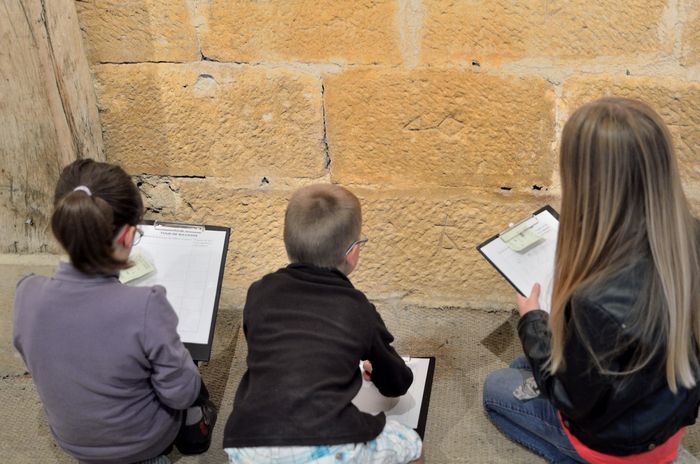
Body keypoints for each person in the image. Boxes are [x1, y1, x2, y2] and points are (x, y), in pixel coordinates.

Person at [483, 97, 700, 463]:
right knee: (521, 367)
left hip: (614, 444)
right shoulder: (688, 238)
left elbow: (573, 401)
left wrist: (531, 320)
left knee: (495, 388)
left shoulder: (596, 300)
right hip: (666, 415)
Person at [13, 159, 217, 464]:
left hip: (73, 442)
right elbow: (180, 394)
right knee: (188, 378)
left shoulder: (26, 292)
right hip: (141, 445)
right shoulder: (146, 306)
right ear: (125, 237)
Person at [223, 184, 423, 464]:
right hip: (328, 442)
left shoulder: (259, 291)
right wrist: (375, 368)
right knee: (413, 445)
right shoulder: (357, 307)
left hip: (246, 442)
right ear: (353, 253)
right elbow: (397, 383)